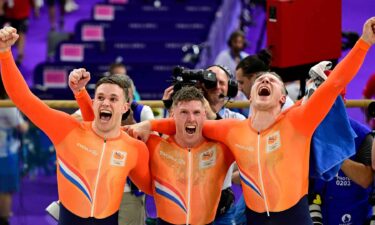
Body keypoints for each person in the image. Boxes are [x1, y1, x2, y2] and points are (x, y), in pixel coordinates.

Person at [128, 17, 375, 225]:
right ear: (250, 95)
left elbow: (334, 85)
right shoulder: (232, 129)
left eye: (272, 81)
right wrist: (148, 126)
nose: (265, 82)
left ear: (282, 99)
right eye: (260, 81)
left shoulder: (298, 121)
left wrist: (364, 42)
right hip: (254, 219)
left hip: (294, 218)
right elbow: (186, 123)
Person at [0, 26, 152, 225]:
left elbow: (154, 188)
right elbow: (23, 98)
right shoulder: (68, 130)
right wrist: (4, 54)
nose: (105, 103)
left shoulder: (135, 148)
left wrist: (158, 126)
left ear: (125, 106)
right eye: (100, 97)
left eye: (113, 99)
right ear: (94, 102)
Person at [76, 85, 235, 225]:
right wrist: (81, 93)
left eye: (196, 112)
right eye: (184, 112)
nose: (191, 119)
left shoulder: (221, 148)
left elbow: (236, 128)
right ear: (172, 115)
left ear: (204, 116)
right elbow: (99, 131)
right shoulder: (154, 145)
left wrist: (150, 123)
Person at [0, 81, 28, 225]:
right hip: (4, 155)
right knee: (5, 190)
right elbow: (22, 127)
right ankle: (4, 219)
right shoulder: (6, 106)